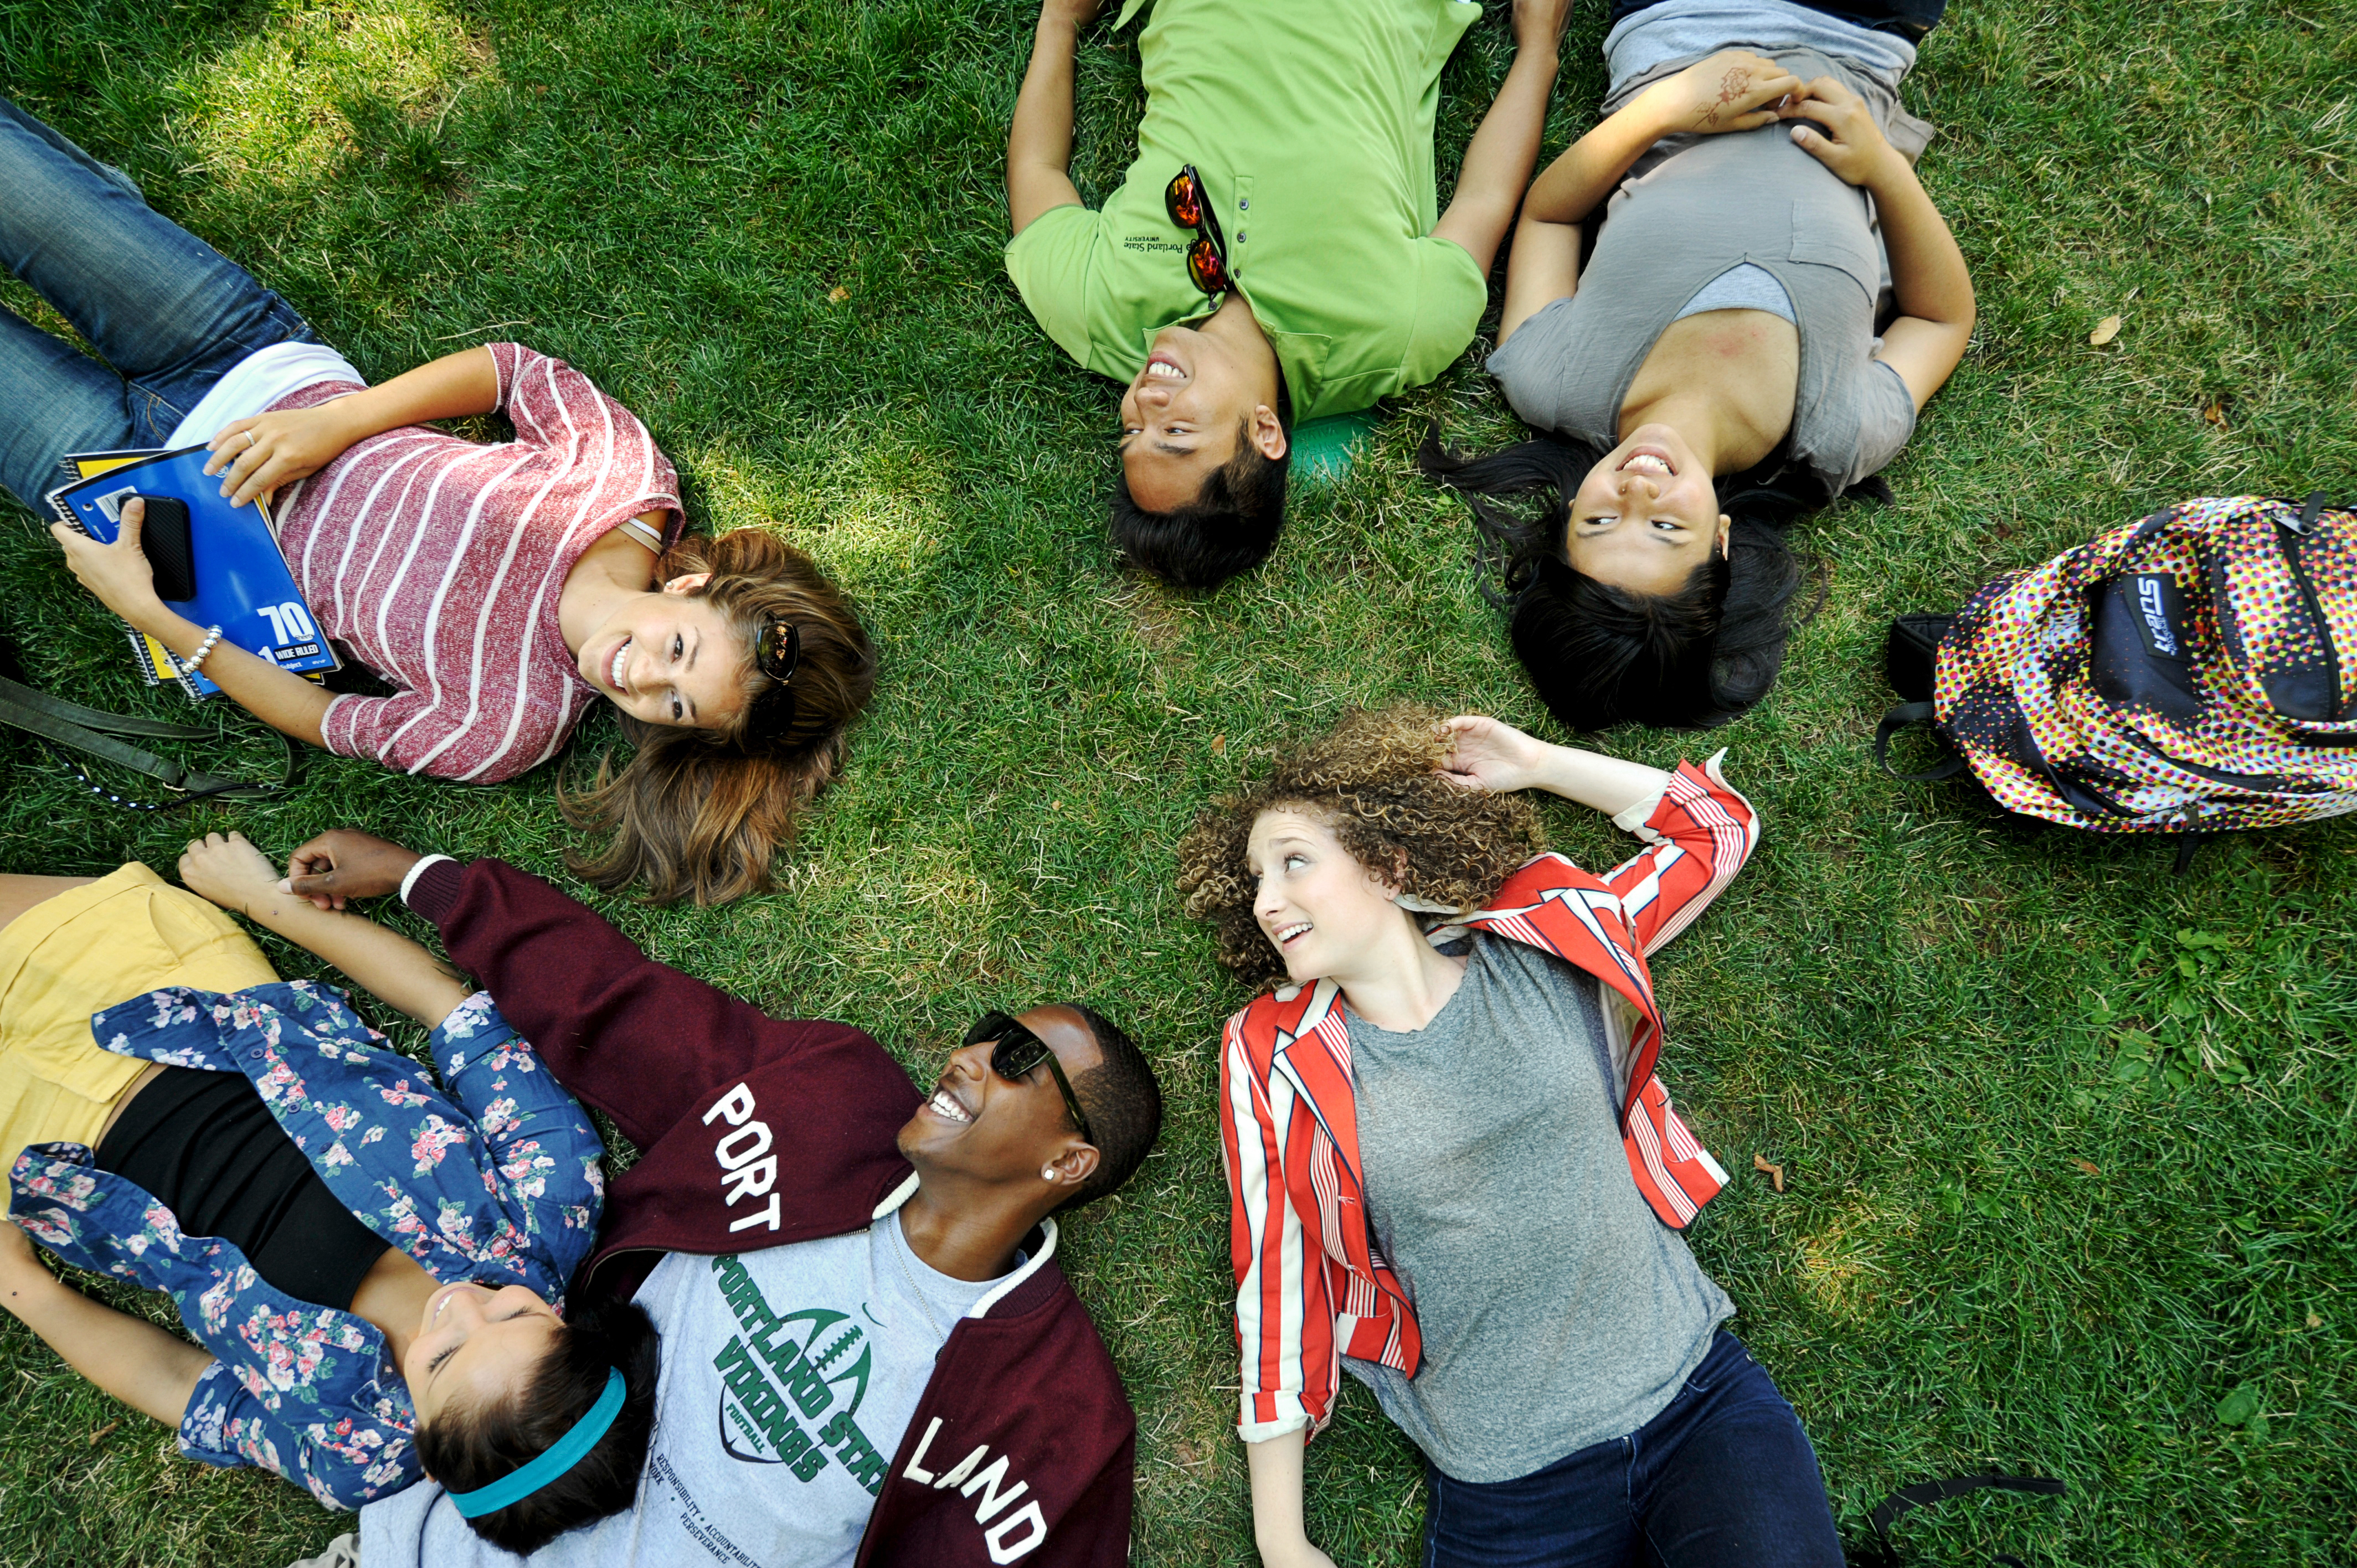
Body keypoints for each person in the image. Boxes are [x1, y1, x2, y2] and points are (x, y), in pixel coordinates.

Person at [1, 97, 876, 904]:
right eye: (678, 650)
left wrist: (144, 608)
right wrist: (341, 422)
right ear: (687, 592)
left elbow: (318, 716)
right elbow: (511, 371)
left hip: (142, 500)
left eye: (674, 707)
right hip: (242, 355)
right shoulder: (626, 489)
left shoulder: (507, 732)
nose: (643, 680)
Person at [269, 826, 1166, 1567]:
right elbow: (624, 1007)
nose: (968, 1057)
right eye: (987, 1033)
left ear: (1069, 1162)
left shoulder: (1051, 1408)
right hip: (444, 1538)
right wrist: (428, 879)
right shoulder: (830, 1104)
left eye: (1018, 1064)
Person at [1177, 705, 1843, 1567]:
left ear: (1387, 863)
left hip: (1697, 1405)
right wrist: (1282, 1538)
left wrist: (1534, 763)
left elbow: (1715, 831)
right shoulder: (1272, 1054)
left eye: (1293, 863)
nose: (1268, 901)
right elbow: (1277, 1277)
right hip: (1508, 1487)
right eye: (1256, 881)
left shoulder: (1542, 942)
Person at [0, 834, 641, 1552]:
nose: (464, 1303)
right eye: (516, 1312)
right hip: (163, 995)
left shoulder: (356, 1448)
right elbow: (445, 1009)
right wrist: (265, 901)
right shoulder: (550, 1205)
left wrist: (23, 1287)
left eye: (443, 1358)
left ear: (426, 1450)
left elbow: (177, 1381)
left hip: (51, 1154)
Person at [1422, 0, 1973, 730]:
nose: (1639, 489)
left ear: (1567, 511)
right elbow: (1942, 319)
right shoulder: (1839, 432)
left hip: (1674, 24)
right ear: (1720, 539)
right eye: (1662, 531)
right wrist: (1881, 167)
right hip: (1859, 37)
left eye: (1601, 519)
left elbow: (1547, 217)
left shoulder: (1551, 377)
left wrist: (1665, 109)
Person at [1005, 0, 1572, 589]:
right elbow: (1484, 200)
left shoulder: (1097, 308)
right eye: (1174, 434)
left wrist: (1059, 21)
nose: (1143, 405)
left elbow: (1037, 169)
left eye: (1129, 433)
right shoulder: (1397, 330)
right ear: (1265, 432)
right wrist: (1537, 51)